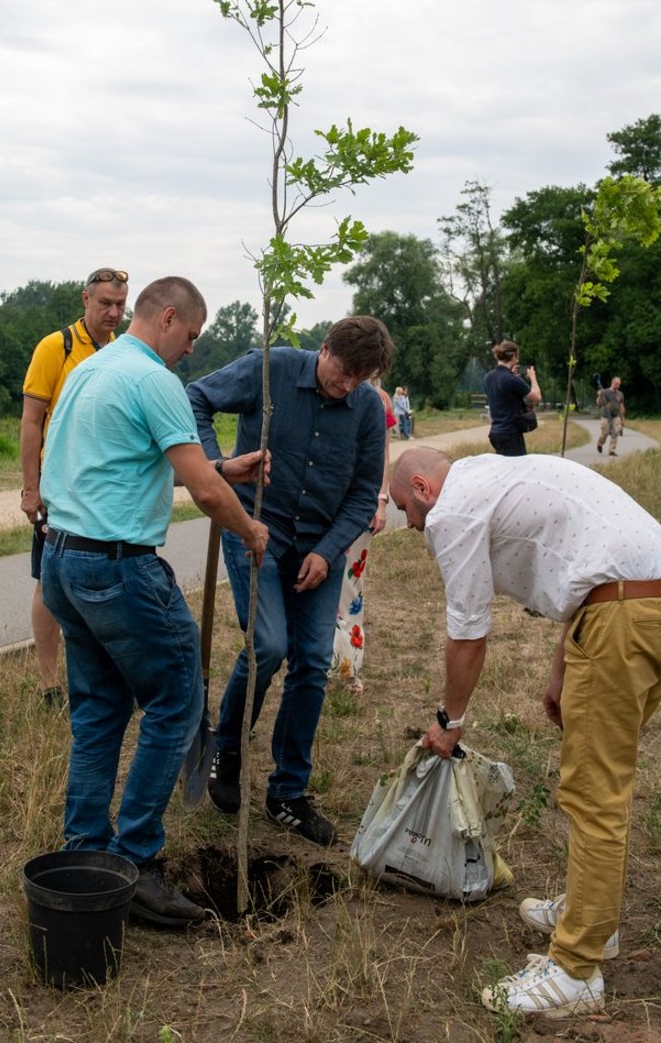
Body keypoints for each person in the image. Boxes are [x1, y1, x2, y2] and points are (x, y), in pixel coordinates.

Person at [390, 446, 661, 1018]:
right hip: (652, 604)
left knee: (595, 795)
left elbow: (468, 634)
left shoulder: (451, 512)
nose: (409, 523)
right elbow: (586, 568)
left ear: (425, 488)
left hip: (621, 619)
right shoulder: (484, 473)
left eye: (407, 507)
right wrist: (563, 668)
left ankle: (578, 968)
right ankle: (588, 915)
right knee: (598, 783)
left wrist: (449, 724)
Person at [39, 277, 269, 929]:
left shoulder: (92, 370)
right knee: (178, 699)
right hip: (116, 568)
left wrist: (229, 469)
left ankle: (86, 854)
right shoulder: (154, 379)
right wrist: (249, 529)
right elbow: (199, 491)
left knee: (100, 711)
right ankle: (136, 862)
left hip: (62, 561)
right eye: (191, 337)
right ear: (168, 318)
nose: (189, 352)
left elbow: (133, 460)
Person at [187, 316, 394, 847]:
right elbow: (197, 397)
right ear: (323, 349)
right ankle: (227, 748)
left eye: (360, 378)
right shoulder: (273, 367)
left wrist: (328, 554)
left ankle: (287, 793)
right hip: (255, 525)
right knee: (268, 643)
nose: (347, 386)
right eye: (343, 372)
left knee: (311, 662)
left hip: (320, 545)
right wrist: (218, 466)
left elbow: (363, 491)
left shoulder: (368, 407)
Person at [20, 268, 129, 706]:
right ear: (85, 299)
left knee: (105, 579)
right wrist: (31, 489)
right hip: (58, 488)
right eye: (105, 303)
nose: (113, 312)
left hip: (104, 491)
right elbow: (30, 422)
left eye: (120, 305)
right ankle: (50, 685)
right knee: (49, 583)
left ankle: (102, 677)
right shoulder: (56, 347)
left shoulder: (122, 350)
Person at [331, 381, 396, 694]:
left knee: (349, 591)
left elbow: (384, 454)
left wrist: (380, 500)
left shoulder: (377, 400)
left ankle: (348, 669)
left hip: (359, 507)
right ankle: (323, 664)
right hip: (323, 505)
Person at [483, 340, 541, 457]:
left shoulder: (488, 377)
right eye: (517, 357)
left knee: (504, 470)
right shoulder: (511, 379)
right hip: (510, 434)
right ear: (514, 356)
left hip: (495, 433)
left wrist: (512, 376)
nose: (518, 360)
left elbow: (503, 396)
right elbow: (537, 397)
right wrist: (533, 377)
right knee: (517, 471)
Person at [595, 376, 625, 456]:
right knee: (605, 433)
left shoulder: (620, 394)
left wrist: (622, 418)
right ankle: (600, 443)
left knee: (616, 432)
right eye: (616, 384)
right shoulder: (605, 392)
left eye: (619, 384)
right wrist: (600, 396)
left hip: (616, 416)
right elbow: (598, 404)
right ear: (612, 383)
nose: (617, 386)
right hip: (606, 416)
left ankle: (611, 450)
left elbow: (621, 406)